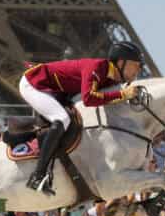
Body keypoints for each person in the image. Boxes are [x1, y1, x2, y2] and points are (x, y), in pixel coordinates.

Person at [17, 41, 144, 195]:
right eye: (135, 64)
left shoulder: (111, 78)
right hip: (35, 84)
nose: (138, 69)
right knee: (62, 118)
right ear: (120, 62)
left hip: (57, 91)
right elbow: (89, 98)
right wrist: (122, 95)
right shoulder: (97, 67)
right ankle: (38, 175)